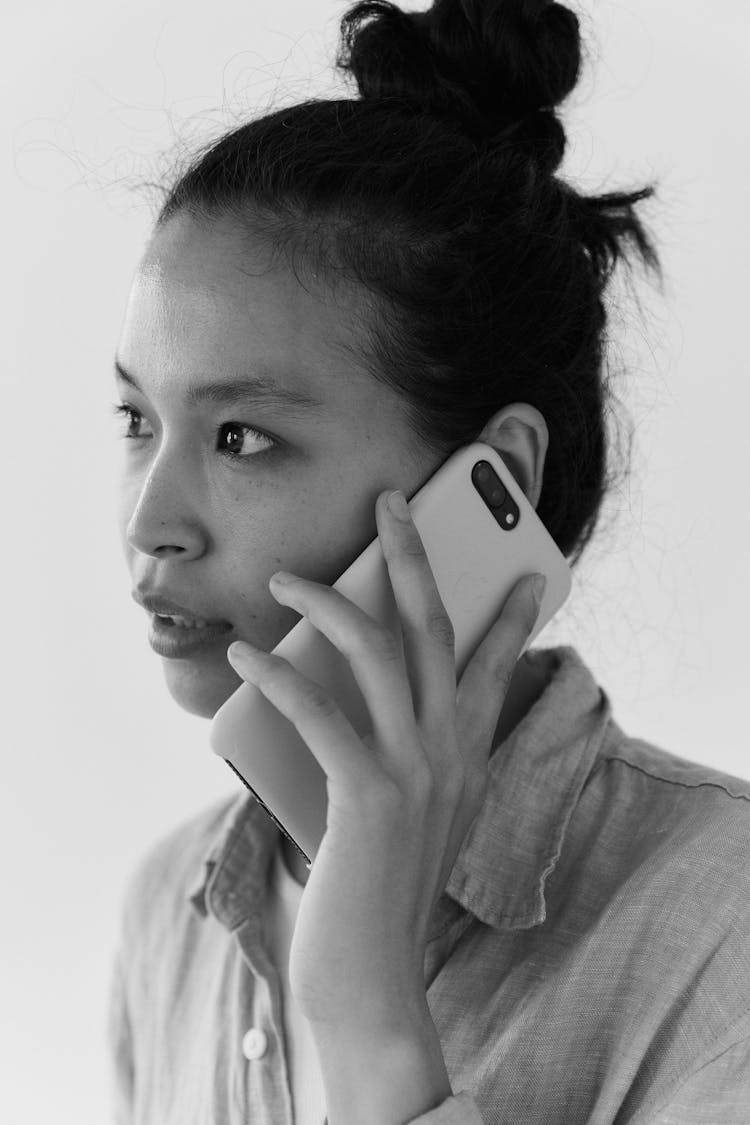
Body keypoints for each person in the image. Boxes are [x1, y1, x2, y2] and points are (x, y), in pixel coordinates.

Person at [105, 1, 750, 1122]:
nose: (150, 520)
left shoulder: (723, 932)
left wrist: (369, 1020)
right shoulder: (170, 914)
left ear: (491, 474)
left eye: (241, 438)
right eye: (135, 422)